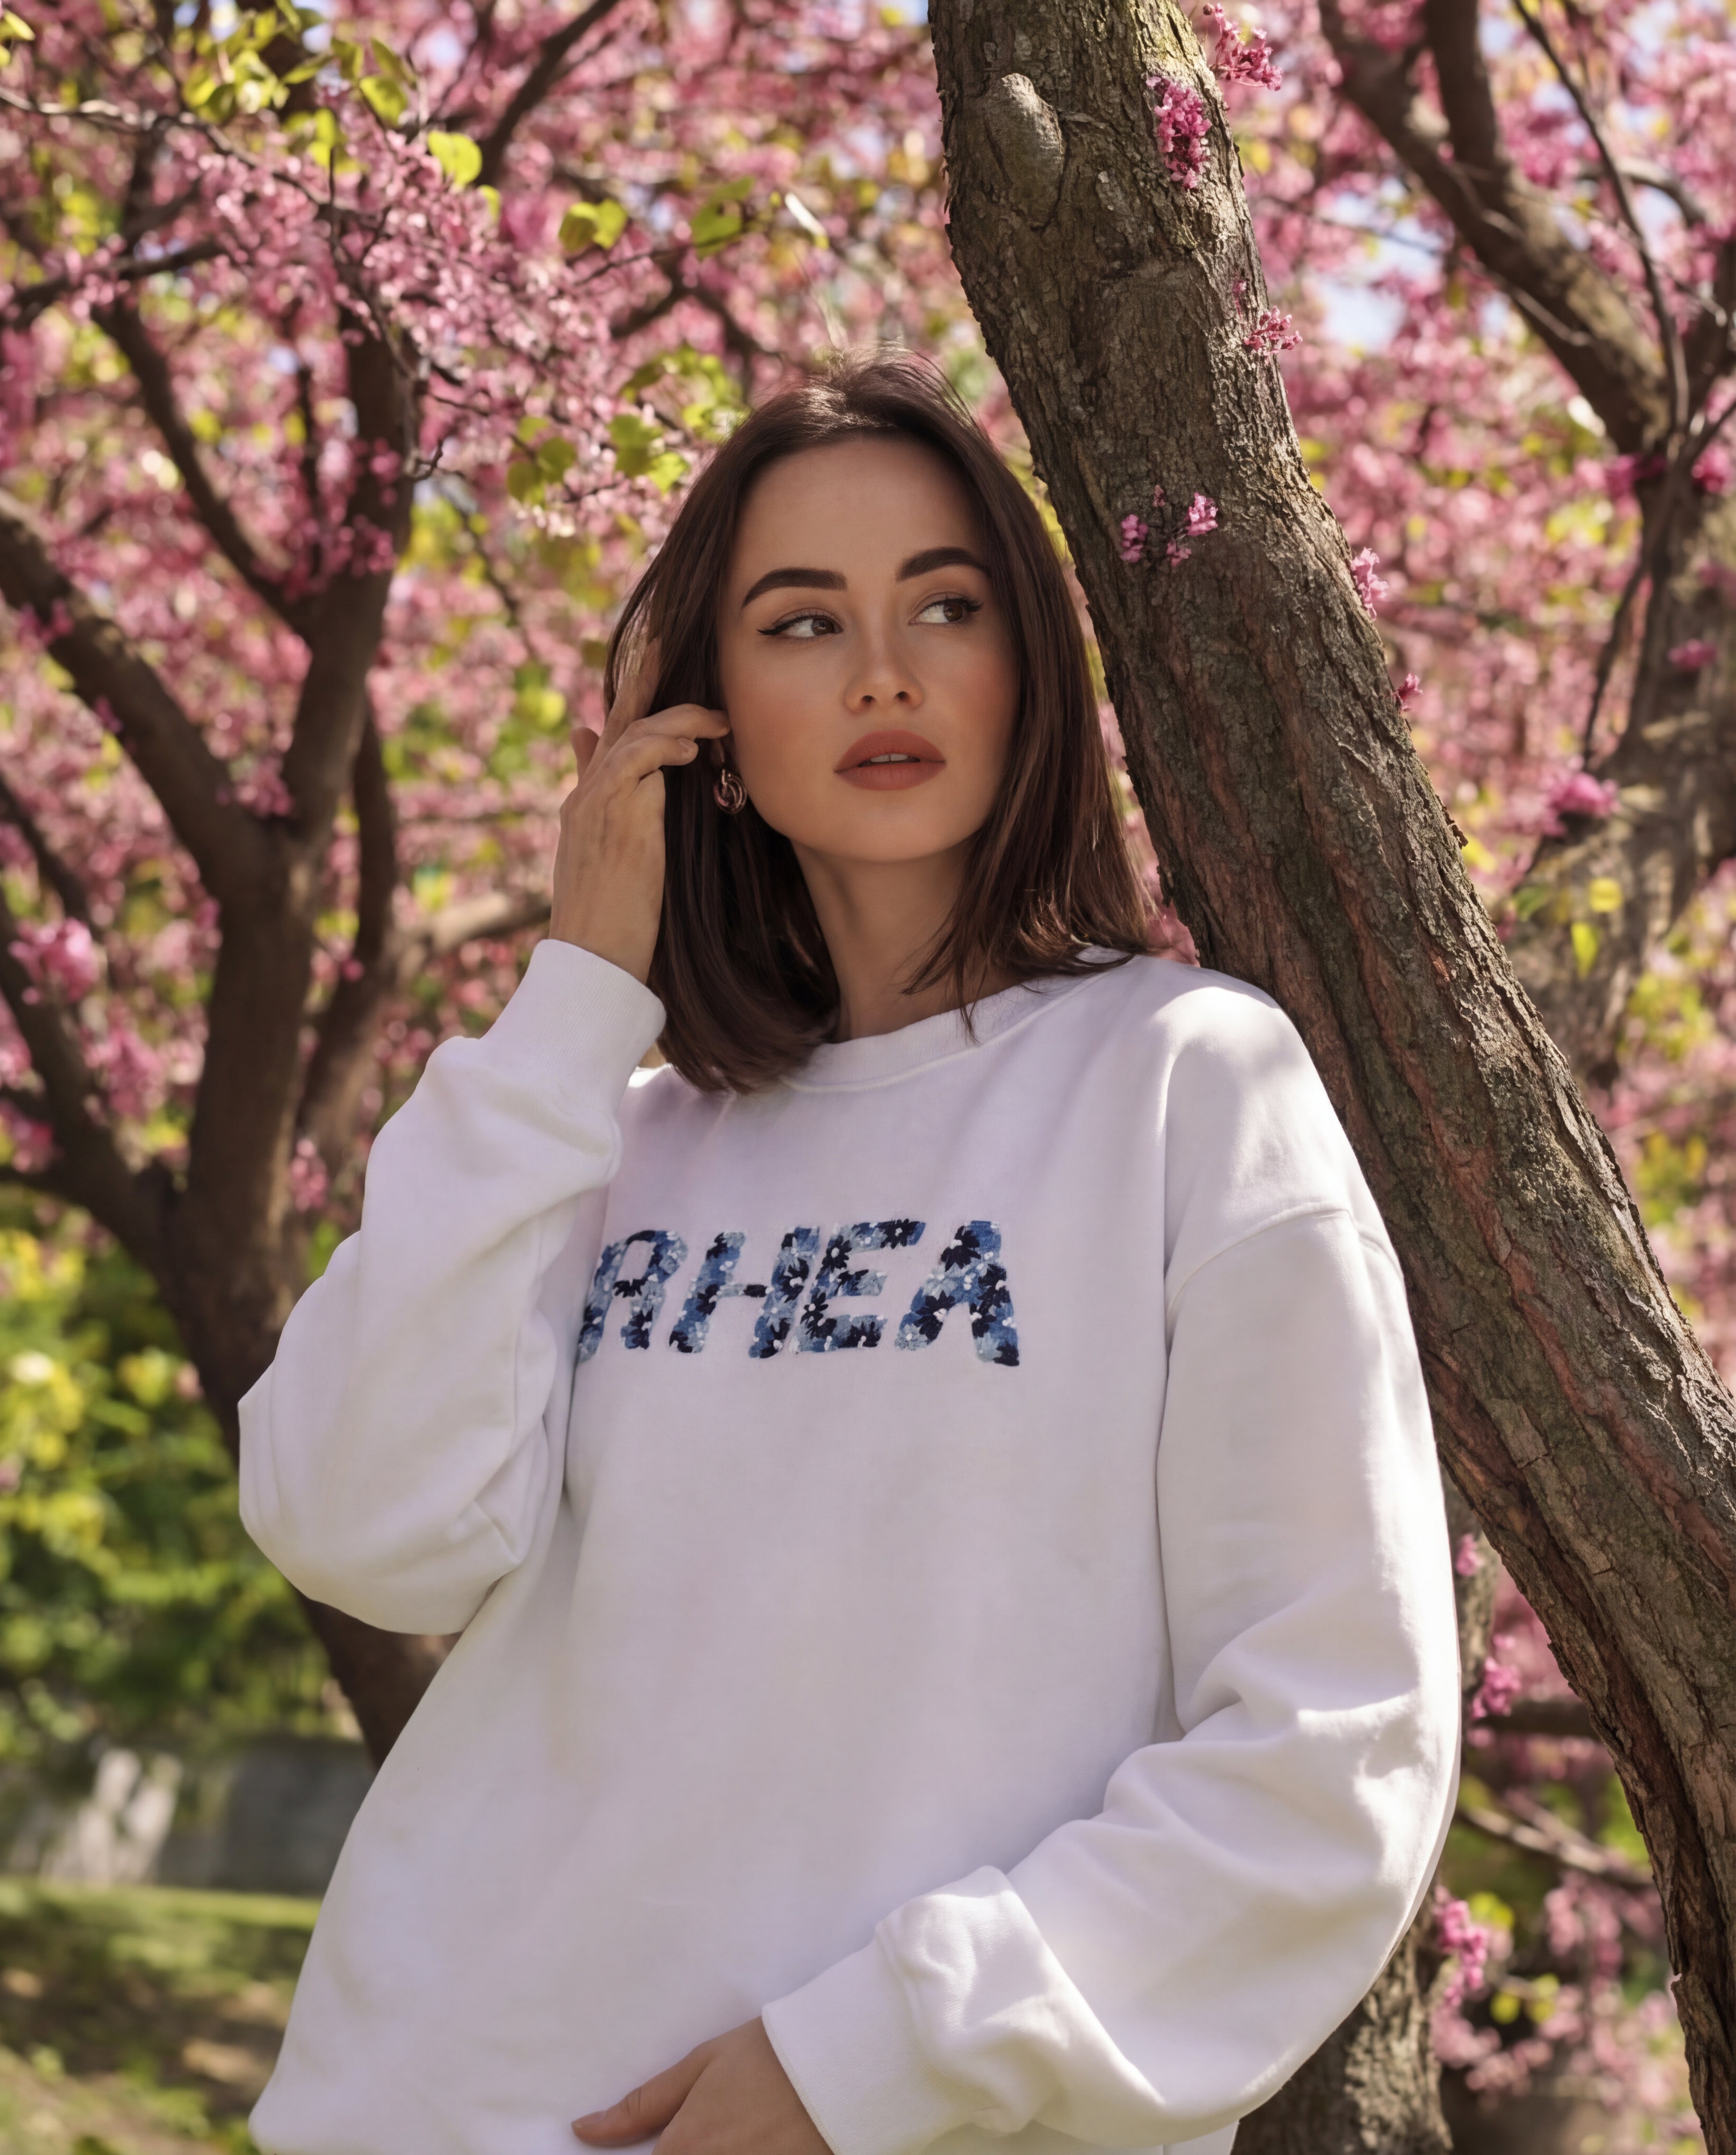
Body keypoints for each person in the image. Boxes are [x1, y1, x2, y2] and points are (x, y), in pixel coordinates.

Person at [239, 350, 1460, 2155]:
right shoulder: (614, 1132)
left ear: (1031, 663)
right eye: (802, 623)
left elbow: (1334, 1742)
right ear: (708, 705)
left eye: (945, 606)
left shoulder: (1185, 1082)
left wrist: (871, 2062)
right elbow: (356, 1526)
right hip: (440, 2100)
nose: (884, 671)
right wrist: (576, 1000)